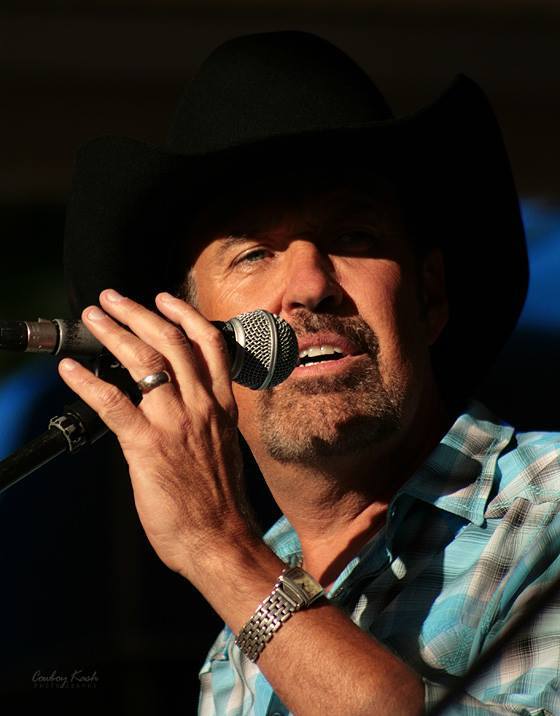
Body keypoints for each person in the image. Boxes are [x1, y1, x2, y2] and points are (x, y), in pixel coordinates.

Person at [59, 32, 560, 714]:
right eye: (253, 254)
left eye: (352, 238)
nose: (309, 286)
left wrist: (219, 549)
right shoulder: (231, 660)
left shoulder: (546, 509)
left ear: (429, 296)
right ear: (186, 339)